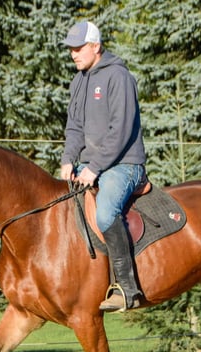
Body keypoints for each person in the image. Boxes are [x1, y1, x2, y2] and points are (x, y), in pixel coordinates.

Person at [60, 21, 147, 312]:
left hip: (124, 164)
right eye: (71, 49)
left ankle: (127, 289)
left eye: (79, 48)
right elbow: (74, 127)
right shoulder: (78, 81)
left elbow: (120, 130)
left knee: (107, 211)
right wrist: (67, 159)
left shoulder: (118, 77)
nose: (73, 54)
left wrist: (94, 167)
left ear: (96, 46)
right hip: (91, 163)